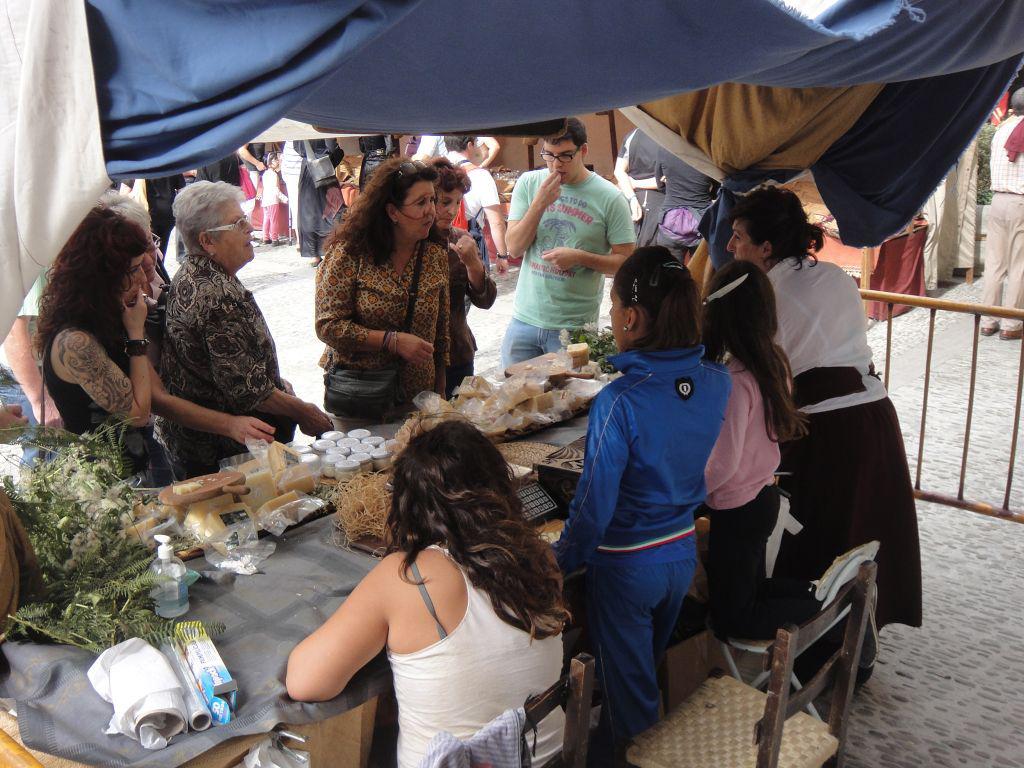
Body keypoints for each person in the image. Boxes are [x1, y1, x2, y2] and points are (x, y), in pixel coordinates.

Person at [287, 420, 567, 768]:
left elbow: (306, 683)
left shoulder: (407, 576)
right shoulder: (539, 557)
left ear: (408, 503)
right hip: (552, 759)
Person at [553, 246, 731, 758]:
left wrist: (559, 560)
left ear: (631, 318)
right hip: (679, 555)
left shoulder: (620, 401)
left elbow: (593, 505)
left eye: (613, 307)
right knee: (635, 679)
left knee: (632, 712)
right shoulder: (716, 381)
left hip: (626, 568)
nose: (611, 317)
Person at [726, 185, 922, 632]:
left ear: (766, 247)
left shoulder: (768, 295)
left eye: (738, 236)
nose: (730, 246)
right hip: (874, 413)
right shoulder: (831, 274)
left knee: (823, 538)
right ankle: (854, 634)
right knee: (862, 531)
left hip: (832, 428)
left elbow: (756, 375)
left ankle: (822, 637)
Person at [37, 206, 277, 481]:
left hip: (136, 471)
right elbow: (138, 413)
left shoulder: (110, 317)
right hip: (101, 485)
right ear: (101, 275)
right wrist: (136, 334)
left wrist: (231, 425)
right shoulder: (75, 342)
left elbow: (158, 397)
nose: (143, 278)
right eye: (133, 269)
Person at [160, 181, 331, 477]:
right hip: (224, 454)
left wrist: (278, 384)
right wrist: (303, 411)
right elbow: (249, 392)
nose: (250, 229)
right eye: (238, 223)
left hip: (204, 446)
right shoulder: (216, 295)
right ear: (207, 241)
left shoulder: (198, 273)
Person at [700, 259, 823, 641]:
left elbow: (722, 464)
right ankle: (818, 593)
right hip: (760, 498)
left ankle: (826, 606)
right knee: (749, 591)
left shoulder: (736, 381)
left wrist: (682, 495)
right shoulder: (772, 361)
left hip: (736, 510)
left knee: (733, 618)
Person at [315, 159, 450, 425]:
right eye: (420, 203)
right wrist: (391, 341)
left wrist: (440, 393)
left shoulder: (434, 255)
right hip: (361, 398)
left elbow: (441, 333)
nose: (431, 211)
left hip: (418, 401)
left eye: (432, 200)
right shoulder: (349, 254)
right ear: (392, 212)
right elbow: (327, 326)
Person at [502, 118, 635, 367]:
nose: (555, 164)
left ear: (583, 151)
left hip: (574, 327)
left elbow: (626, 263)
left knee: (570, 393)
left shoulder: (610, 197)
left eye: (565, 156)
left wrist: (580, 258)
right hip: (524, 320)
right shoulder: (529, 184)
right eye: (549, 155)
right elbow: (514, 248)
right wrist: (540, 203)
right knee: (512, 390)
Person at [430, 159, 497, 398]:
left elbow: (486, 300)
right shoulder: (407, 243)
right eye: (445, 201)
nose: (452, 210)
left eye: (458, 202)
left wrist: (473, 264)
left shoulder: (460, 238)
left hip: (457, 351)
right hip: (417, 357)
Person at [982, 87, 1024, 340]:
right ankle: (1011, 324)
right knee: (1019, 264)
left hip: (998, 199)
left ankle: (989, 320)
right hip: (1020, 200)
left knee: (995, 263)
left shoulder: (1001, 130)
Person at [443, 136, 509, 274]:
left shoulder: (437, 171)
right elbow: (496, 222)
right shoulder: (481, 176)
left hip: (440, 242)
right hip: (470, 242)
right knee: (477, 283)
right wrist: (502, 255)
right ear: (470, 145)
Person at [654, 146, 720, 261]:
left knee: (669, 270)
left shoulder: (665, 147)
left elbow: (659, 184)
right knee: (701, 271)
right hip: (702, 222)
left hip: (670, 222)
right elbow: (717, 188)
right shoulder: (708, 152)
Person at [297, 138, 345, 266]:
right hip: (324, 169)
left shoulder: (301, 127)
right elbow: (332, 147)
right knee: (335, 210)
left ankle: (314, 255)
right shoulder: (321, 127)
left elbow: (297, 147)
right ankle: (335, 247)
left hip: (307, 169)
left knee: (308, 213)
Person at [613, 128, 664, 247]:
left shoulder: (632, 134)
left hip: (632, 196)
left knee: (630, 248)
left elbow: (618, 171)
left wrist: (632, 197)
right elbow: (666, 179)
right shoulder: (667, 136)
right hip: (659, 200)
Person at [260, 151, 289, 246]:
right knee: (274, 220)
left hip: (265, 200)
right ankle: (275, 239)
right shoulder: (274, 175)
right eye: (275, 160)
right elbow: (275, 189)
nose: (277, 161)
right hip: (272, 200)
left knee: (267, 218)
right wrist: (284, 198)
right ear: (270, 163)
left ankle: (265, 237)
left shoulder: (265, 174)